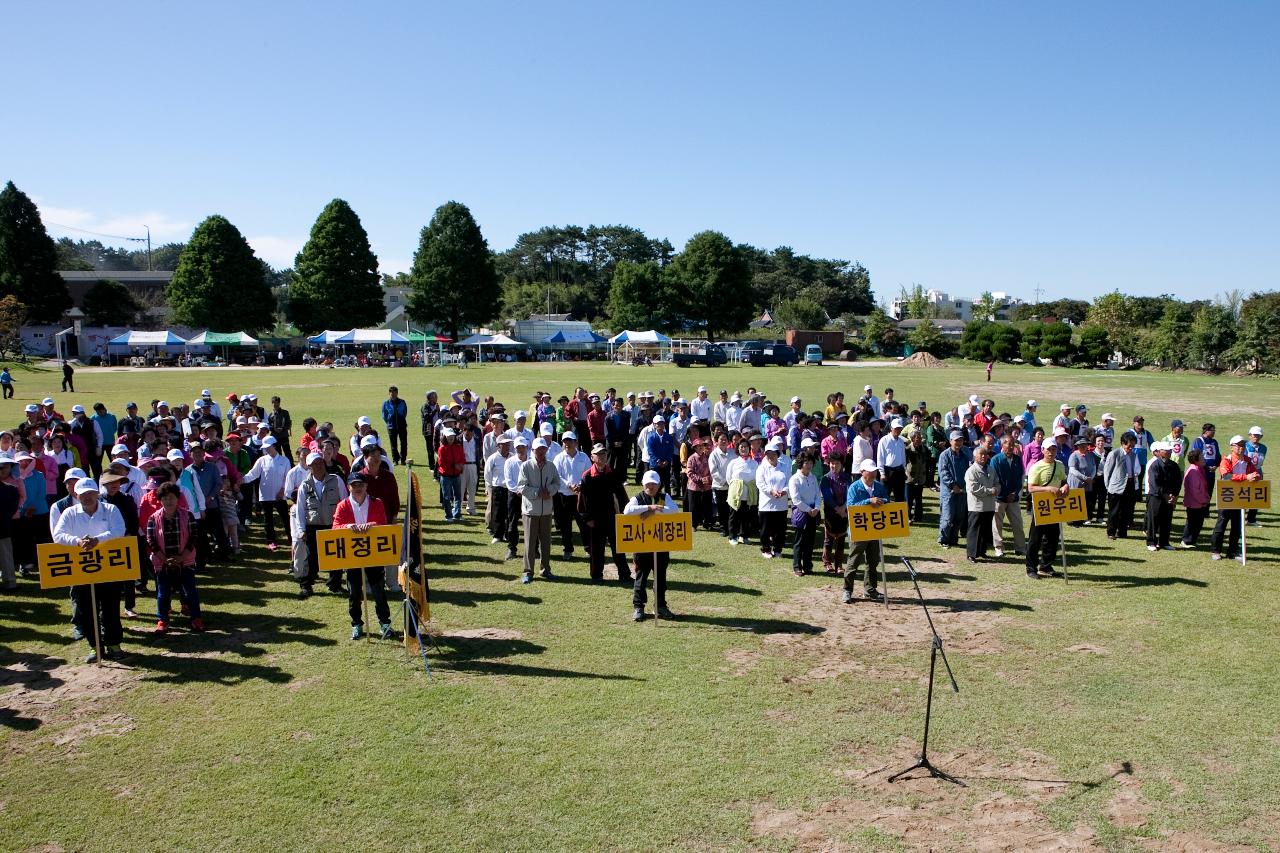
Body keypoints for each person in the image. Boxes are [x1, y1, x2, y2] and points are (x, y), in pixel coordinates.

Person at [53, 479, 125, 663]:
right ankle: (96, 647)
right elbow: (58, 535)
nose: (87, 497)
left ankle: (114, 644)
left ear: (97, 493)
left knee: (110, 609)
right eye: (82, 494)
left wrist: (97, 540)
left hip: (108, 569)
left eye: (90, 493)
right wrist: (77, 542)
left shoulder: (110, 510)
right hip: (81, 571)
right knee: (86, 612)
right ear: (76, 496)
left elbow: (119, 530)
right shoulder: (69, 513)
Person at [331, 472, 394, 640]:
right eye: (354, 485)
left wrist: (372, 526)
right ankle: (357, 624)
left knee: (378, 591)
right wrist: (349, 526)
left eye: (360, 485)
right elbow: (335, 527)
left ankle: (385, 623)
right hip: (353, 555)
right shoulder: (343, 505)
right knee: (354, 593)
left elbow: (383, 524)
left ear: (366, 486)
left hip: (373, 554)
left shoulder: (377, 503)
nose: (357, 488)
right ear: (348, 487)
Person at [145, 482, 205, 635]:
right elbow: (151, 541)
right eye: (165, 498)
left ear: (177, 498)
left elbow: (194, 538)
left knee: (190, 591)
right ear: (160, 500)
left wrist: (181, 557)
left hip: (186, 561)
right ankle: (163, 620)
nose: (168, 501)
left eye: (171, 497)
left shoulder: (188, 515)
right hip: (162, 563)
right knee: (163, 593)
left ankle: (196, 618)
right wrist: (164, 559)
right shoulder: (153, 518)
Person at [623, 470, 678, 621]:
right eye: (648, 484)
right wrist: (649, 508)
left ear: (659, 485)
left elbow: (674, 510)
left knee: (660, 577)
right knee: (641, 578)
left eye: (654, 484)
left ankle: (660, 606)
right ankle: (639, 607)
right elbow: (627, 511)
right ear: (643, 484)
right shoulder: (638, 498)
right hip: (642, 546)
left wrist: (655, 512)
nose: (651, 487)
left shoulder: (664, 497)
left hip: (660, 545)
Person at [294, 451, 348, 597]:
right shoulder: (304, 486)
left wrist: (344, 524)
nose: (319, 466)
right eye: (314, 464)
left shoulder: (336, 480)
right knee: (311, 557)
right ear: (309, 467)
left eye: (320, 463)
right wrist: (301, 529)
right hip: (313, 526)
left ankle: (334, 584)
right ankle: (306, 585)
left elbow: (345, 502)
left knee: (336, 556)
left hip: (334, 524)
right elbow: (300, 509)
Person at [577, 443, 633, 583]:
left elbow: (621, 495)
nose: (601, 456)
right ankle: (596, 575)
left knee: (618, 547)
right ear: (592, 457)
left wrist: (625, 512)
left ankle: (624, 574)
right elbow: (582, 502)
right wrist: (587, 518)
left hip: (611, 517)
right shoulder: (587, 476)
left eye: (603, 454)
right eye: (598, 454)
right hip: (595, 519)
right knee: (597, 549)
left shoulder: (612, 473)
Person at [843, 459, 888, 603]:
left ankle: (870, 590)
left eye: (874, 470)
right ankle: (847, 590)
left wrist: (882, 501)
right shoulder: (854, 488)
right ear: (862, 472)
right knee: (854, 561)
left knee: (873, 561)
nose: (873, 473)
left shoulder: (879, 487)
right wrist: (869, 501)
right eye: (870, 471)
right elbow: (851, 507)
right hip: (859, 530)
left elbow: (886, 500)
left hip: (874, 530)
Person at [1210, 435, 1260, 561]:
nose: (1241, 448)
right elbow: (1226, 476)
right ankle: (1216, 550)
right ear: (1232, 447)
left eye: (1243, 445)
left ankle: (1232, 551)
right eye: (1238, 445)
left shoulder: (1248, 461)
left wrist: (1256, 477)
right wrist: (1245, 477)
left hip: (1240, 497)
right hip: (1227, 496)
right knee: (1221, 524)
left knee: (1237, 526)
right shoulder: (1226, 460)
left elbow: (1256, 472)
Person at [517, 438, 560, 583]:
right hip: (530, 511)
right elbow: (521, 487)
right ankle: (528, 572)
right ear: (533, 450)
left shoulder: (551, 466)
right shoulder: (526, 466)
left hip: (546, 510)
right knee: (530, 543)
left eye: (543, 449)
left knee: (546, 542)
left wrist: (550, 491)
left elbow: (556, 483)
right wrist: (537, 492)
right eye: (538, 449)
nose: (541, 451)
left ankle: (545, 569)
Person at [1025, 439, 1067, 580]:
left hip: (1054, 507)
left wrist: (1065, 486)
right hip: (1040, 507)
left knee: (1053, 538)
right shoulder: (1036, 467)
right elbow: (1030, 488)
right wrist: (1048, 488)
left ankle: (1046, 566)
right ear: (1042, 450)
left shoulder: (1060, 465)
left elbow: (1063, 481)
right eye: (1048, 449)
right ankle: (1031, 568)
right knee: (1035, 539)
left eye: (1054, 449)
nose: (1051, 452)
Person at [242, 436, 290, 551]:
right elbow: (253, 474)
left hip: (280, 495)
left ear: (274, 446)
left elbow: (287, 478)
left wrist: (283, 491)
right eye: (265, 448)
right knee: (268, 520)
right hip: (265, 495)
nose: (266, 450)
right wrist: (242, 480)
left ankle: (291, 537)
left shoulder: (284, 460)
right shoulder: (261, 460)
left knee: (285, 518)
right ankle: (271, 541)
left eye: (268, 447)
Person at [552, 432, 591, 558]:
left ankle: (588, 548)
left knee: (583, 523)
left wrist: (580, 485)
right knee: (565, 525)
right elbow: (557, 475)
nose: (567, 444)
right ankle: (568, 549)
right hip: (564, 495)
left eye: (570, 441)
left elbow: (588, 474)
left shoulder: (583, 457)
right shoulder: (559, 458)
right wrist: (569, 485)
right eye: (565, 441)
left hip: (580, 495)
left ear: (576, 442)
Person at [989, 435, 1026, 558]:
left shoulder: (1017, 459)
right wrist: (1005, 494)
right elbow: (995, 479)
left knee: (1017, 523)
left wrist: (1015, 493)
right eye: (1007, 444)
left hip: (1013, 499)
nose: (1010, 446)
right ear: (1002, 445)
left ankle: (1020, 547)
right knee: (997, 524)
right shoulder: (996, 460)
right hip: (999, 498)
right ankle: (999, 547)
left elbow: (1019, 479)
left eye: (1012, 444)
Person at [756, 438, 790, 560]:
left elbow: (788, 482)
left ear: (777, 454)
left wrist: (784, 491)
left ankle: (778, 549)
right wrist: (771, 491)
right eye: (768, 454)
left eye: (773, 453)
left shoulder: (785, 467)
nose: (771, 456)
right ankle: (766, 549)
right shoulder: (762, 467)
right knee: (765, 528)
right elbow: (760, 484)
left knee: (780, 529)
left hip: (781, 503)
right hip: (766, 503)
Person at [788, 453, 820, 577]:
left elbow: (818, 494)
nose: (809, 465)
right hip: (801, 513)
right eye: (806, 463)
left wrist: (816, 508)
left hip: (813, 511)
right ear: (800, 464)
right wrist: (808, 510)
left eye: (811, 463)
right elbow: (795, 499)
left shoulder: (813, 478)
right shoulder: (794, 479)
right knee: (799, 542)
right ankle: (797, 567)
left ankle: (808, 566)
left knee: (810, 541)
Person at [1145, 442, 1181, 551]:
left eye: (1170, 450)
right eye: (1166, 450)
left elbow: (1178, 482)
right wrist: (1165, 494)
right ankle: (1151, 542)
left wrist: (1174, 495)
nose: (1169, 452)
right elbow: (1154, 483)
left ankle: (1164, 542)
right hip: (1156, 497)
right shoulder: (1155, 465)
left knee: (1167, 519)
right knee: (1153, 519)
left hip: (1169, 497)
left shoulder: (1174, 465)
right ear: (1160, 452)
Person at [1104, 433, 1140, 539]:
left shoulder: (1133, 455)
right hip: (1116, 487)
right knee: (1114, 512)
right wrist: (1109, 486)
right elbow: (1107, 472)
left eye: (1133, 446)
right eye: (1129, 446)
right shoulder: (1114, 454)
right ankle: (1111, 532)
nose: (1131, 448)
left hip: (1129, 485)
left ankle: (1122, 532)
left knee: (1126, 511)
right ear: (1123, 444)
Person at [964, 446, 998, 562]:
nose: (983, 456)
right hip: (977, 506)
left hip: (989, 505)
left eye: (985, 454)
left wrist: (997, 489)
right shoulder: (971, 471)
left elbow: (997, 482)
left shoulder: (991, 469)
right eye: (980, 454)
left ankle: (981, 551)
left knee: (985, 530)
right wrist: (990, 491)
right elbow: (974, 488)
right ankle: (971, 554)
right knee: (974, 530)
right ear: (975, 456)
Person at [937, 431, 969, 548]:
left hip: (962, 491)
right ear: (950, 441)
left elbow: (968, 473)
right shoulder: (944, 455)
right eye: (956, 440)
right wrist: (952, 485)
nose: (958, 442)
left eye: (960, 440)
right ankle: (943, 539)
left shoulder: (965, 456)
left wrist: (963, 487)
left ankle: (953, 538)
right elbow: (943, 472)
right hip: (948, 492)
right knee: (947, 516)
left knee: (959, 516)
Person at [726, 438, 758, 545]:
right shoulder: (733, 462)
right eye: (741, 447)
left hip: (748, 494)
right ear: (738, 449)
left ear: (749, 448)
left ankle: (743, 535)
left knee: (746, 516)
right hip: (736, 494)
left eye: (746, 447)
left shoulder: (754, 463)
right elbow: (729, 478)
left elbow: (756, 478)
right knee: (734, 515)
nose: (744, 449)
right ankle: (732, 536)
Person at [1179, 449, 1210, 548]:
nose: (1203, 458)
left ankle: (1192, 540)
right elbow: (1195, 490)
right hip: (1194, 502)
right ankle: (1186, 541)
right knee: (1192, 522)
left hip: (1199, 502)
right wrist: (1204, 500)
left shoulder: (1199, 468)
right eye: (1201, 456)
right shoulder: (1194, 471)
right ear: (1196, 459)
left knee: (1198, 522)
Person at [485, 436, 512, 544]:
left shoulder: (512, 457)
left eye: (508, 444)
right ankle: (498, 535)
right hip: (498, 488)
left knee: (509, 513)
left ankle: (507, 534)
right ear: (498, 446)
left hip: (510, 489)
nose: (506, 446)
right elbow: (487, 475)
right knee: (498, 513)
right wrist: (490, 488)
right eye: (504, 444)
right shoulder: (493, 458)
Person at [1066, 437, 1098, 527]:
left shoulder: (1090, 455)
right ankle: (1073, 521)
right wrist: (1084, 477)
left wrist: (1091, 477)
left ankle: (1081, 520)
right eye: (1082, 445)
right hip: (1076, 483)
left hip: (1088, 483)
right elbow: (1072, 470)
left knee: (1085, 501)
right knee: (1075, 502)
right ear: (1078, 446)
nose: (1084, 447)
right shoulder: (1073, 455)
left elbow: (1094, 467)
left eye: (1085, 445)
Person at [436, 427, 464, 522]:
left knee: (458, 496)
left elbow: (462, 458)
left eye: (452, 436)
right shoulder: (442, 449)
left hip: (456, 475)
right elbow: (441, 463)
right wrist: (454, 465)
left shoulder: (458, 447)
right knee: (446, 496)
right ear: (445, 437)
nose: (451, 438)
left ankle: (457, 514)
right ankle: (448, 515)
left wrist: (460, 466)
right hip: (446, 475)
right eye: (449, 437)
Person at [0, 455, 19, 589]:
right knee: (6, 555)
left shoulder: (11, 489)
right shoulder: (11, 489)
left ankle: (10, 582)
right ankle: (10, 582)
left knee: (6, 556)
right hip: (3, 526)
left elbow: (12, 509)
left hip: (3, 527)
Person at [1189, 424, 1221, 500]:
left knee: (1209, 493)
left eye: (1214, 431)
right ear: (1206, 431)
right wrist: (1206, 467)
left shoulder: (1214, 442)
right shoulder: (1198, 441)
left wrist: (1216, 466)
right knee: (1201, 491)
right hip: (1201, 472)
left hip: (1211, 473)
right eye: (1212, 431)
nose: (1214, 432)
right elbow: (1195, 457)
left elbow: (1218, 456)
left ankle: (1207, 509)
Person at [1244, 427, 1267, 525]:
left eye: (1258, 435)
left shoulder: (1263, 448)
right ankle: (1240, 517)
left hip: (1258, 472)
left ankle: (1251, 519)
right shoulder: (1244, 446)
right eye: (1254, 435)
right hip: (1246, 473)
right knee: (1244, 494)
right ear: (1250, 435)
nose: (1256, 437)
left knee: (1256, 495)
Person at [381, 385, 409, 466]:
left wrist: (401, 421)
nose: (393, 395)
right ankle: (395, 460)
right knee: (393, 445)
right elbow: (384, 415)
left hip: (402, 426)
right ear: (389, 394)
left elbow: (404, 413)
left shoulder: (402, 402)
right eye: (391, 393)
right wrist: (389, 422)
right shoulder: (386, 403)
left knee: (404, 443)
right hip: (391, 427)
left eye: (394, 393)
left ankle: (403, 459)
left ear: (397, 393)